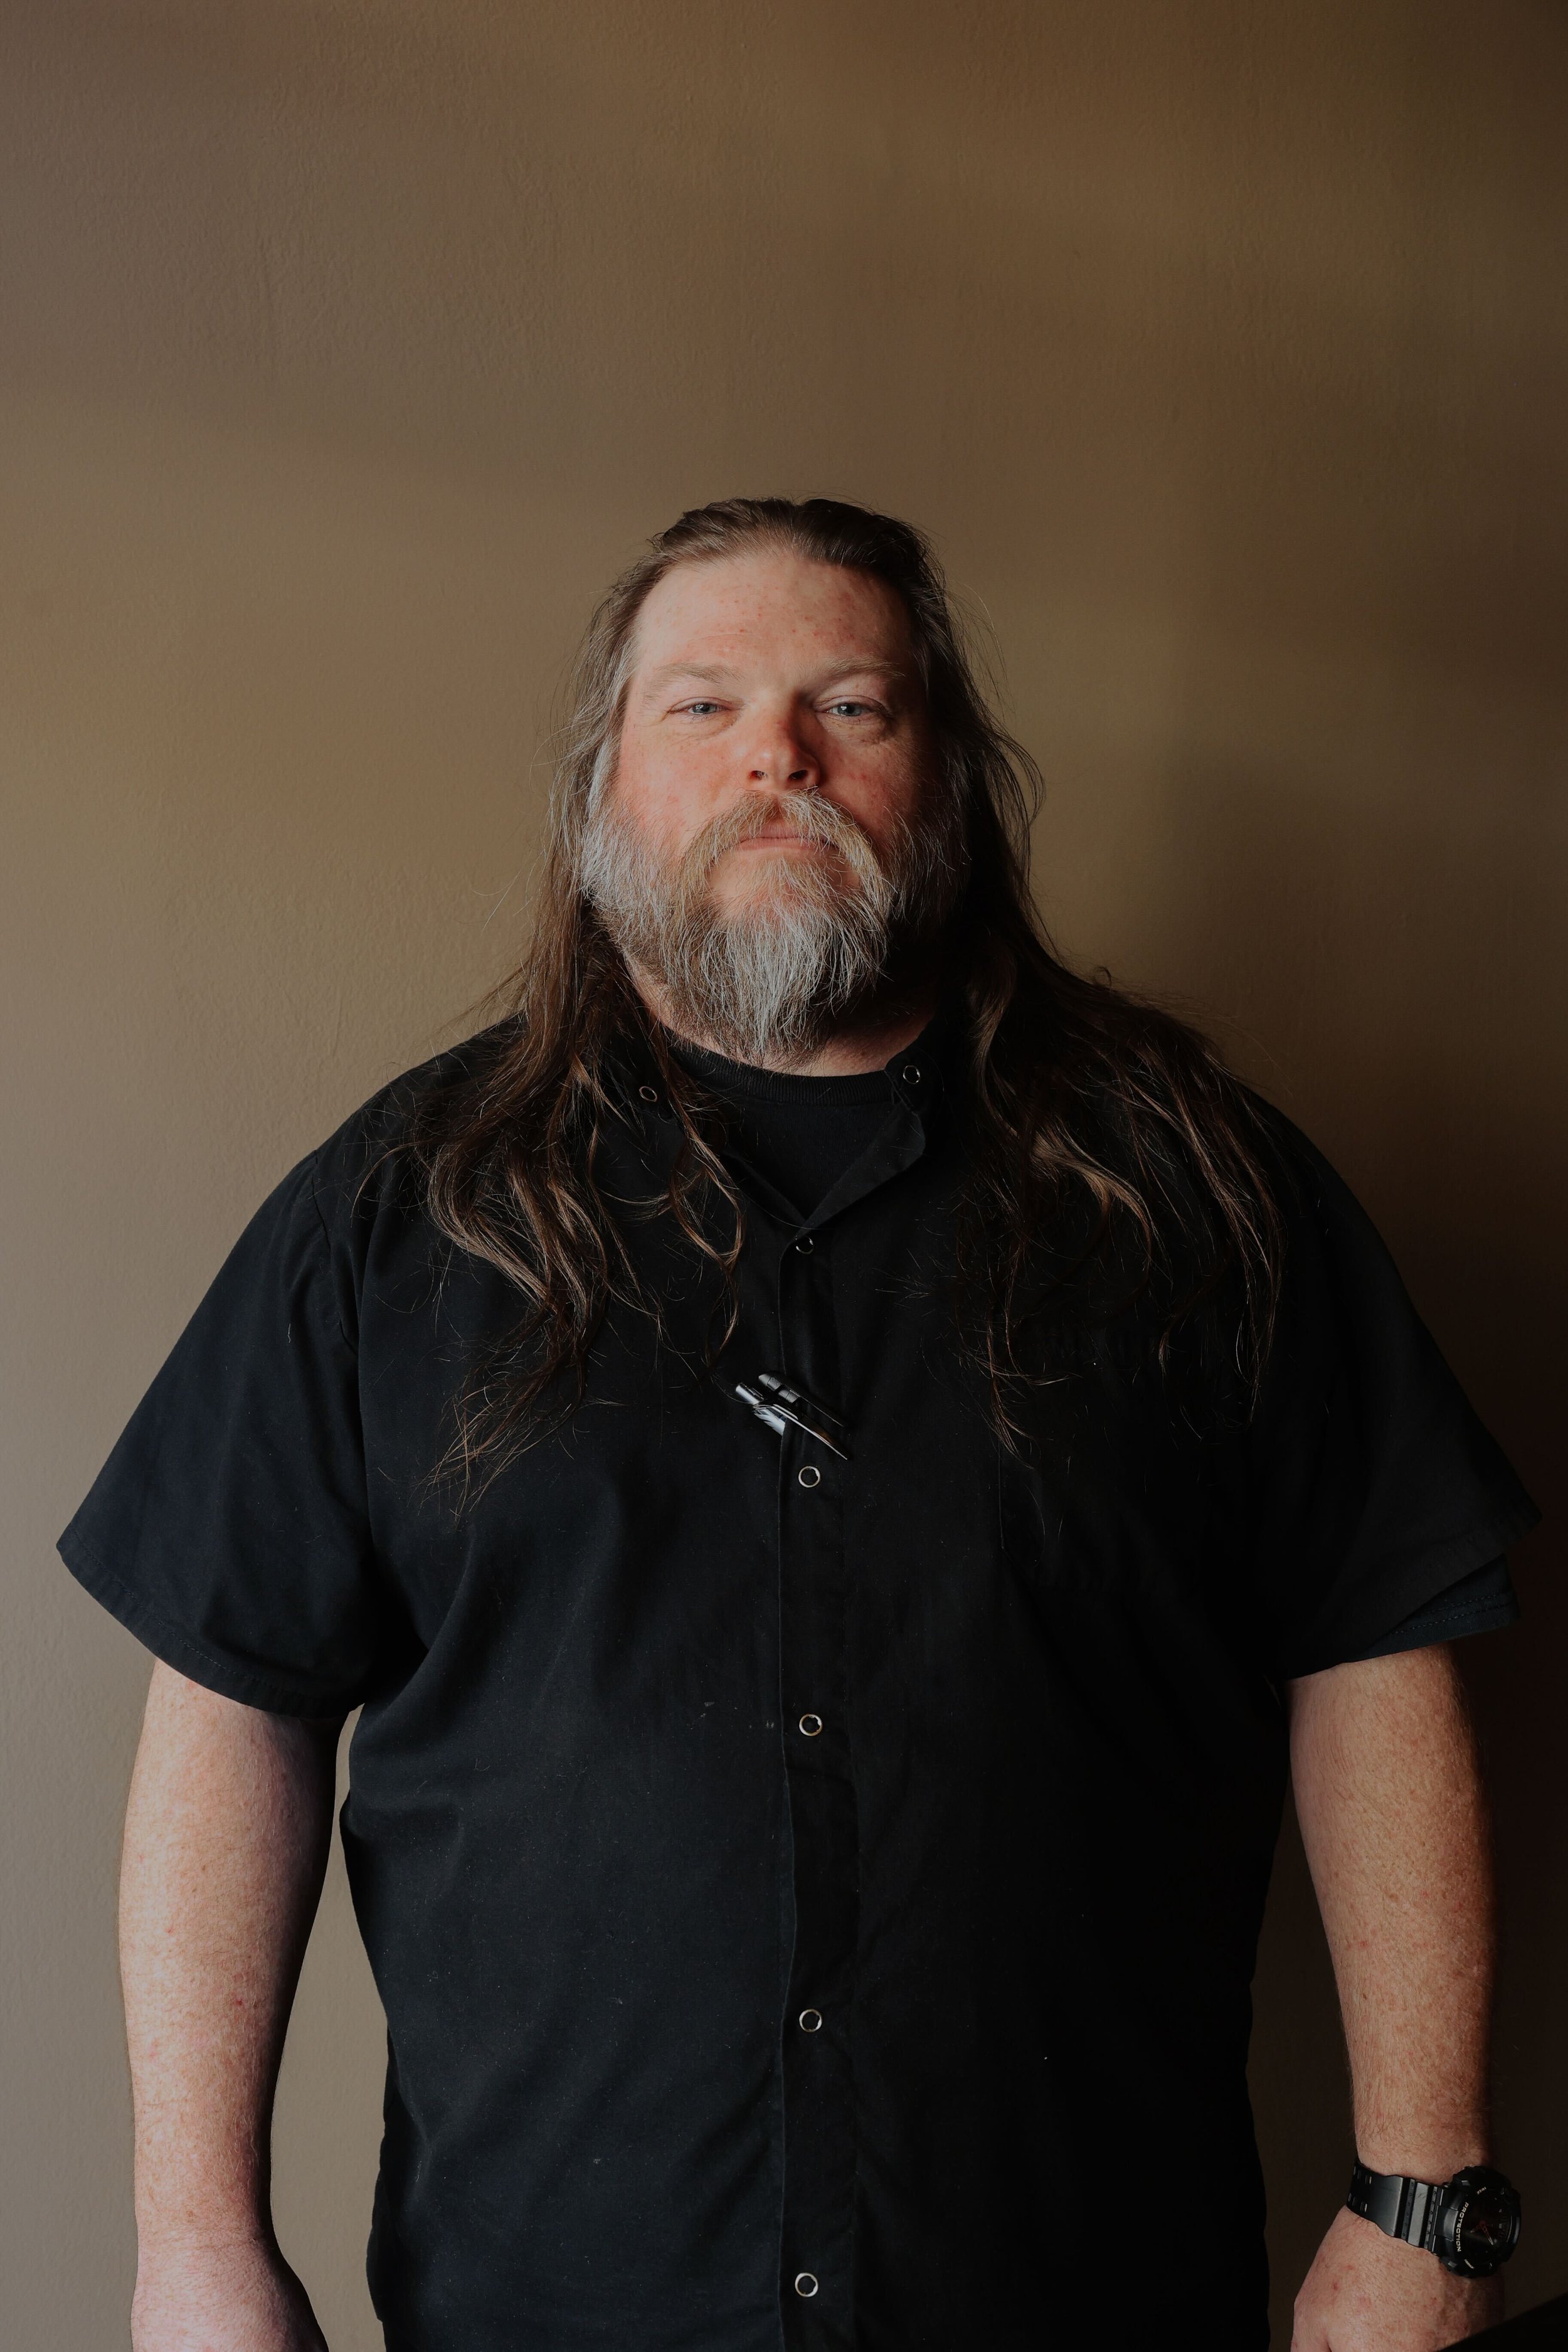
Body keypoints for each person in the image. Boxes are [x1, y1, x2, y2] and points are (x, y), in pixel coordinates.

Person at [64, 498, 1537, 2352]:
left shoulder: (1200, 1191)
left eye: (852, 703)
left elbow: (1377, 1647)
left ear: (955, 784)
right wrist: (196, 2244)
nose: (778, 753)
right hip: (544, 2309)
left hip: (1084, 2296)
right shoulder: (394, 1214)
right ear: (603, 789)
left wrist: (1423, 2198)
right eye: (703, 707)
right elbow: (230, 1707)